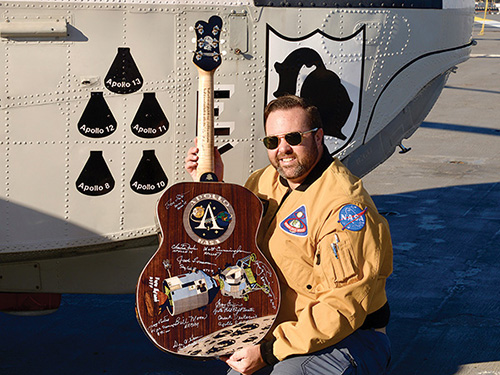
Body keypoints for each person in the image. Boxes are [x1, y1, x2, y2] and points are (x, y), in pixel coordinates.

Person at [185, 95, 393, 375]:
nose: (282, 149)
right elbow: (230, 247)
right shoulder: (263, 182)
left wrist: (268, 352)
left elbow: (342, 307)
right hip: (281, 332)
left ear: (318, 137)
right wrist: (213, 185)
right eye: (273, 141)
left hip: (349, 338)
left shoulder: (344, 208)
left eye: (293, 138)